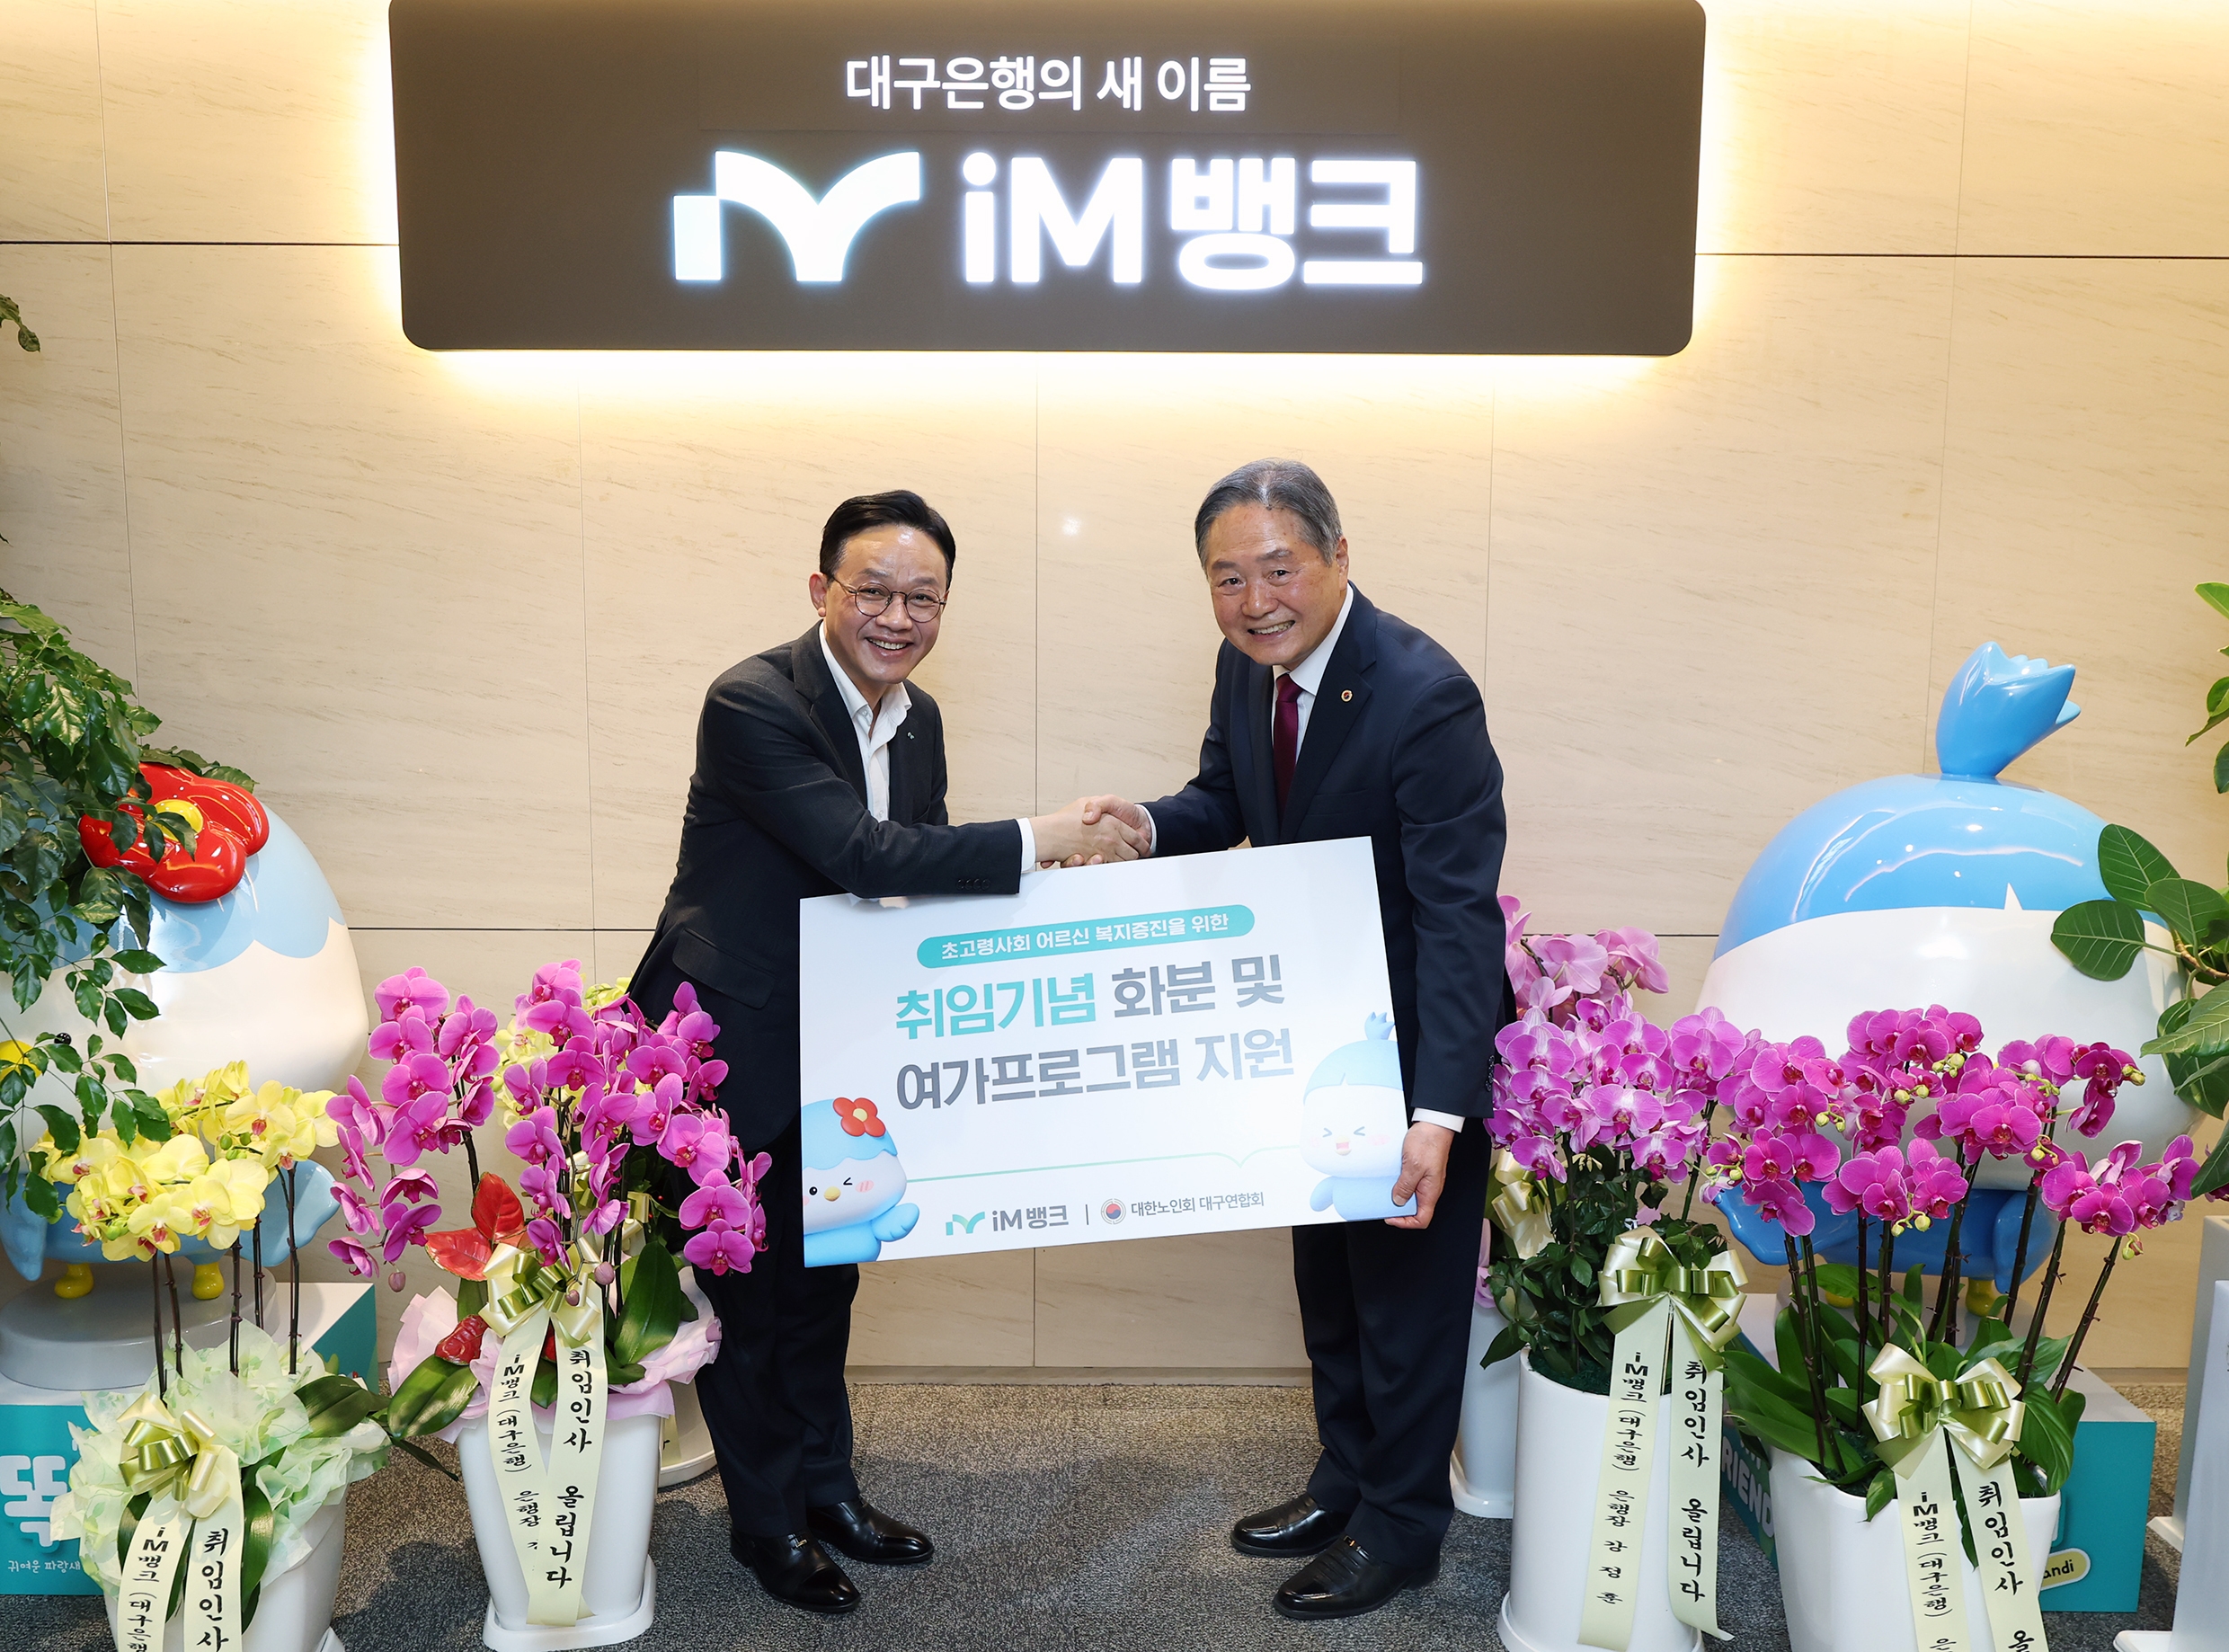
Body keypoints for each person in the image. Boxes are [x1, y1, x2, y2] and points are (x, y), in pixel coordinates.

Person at [630, 490, 1144, 1616]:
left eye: (924, 597)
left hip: (844, 1027)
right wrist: (1039, 836)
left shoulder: (919, 720)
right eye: (874, 590)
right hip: (728, 1035)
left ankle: (829, 1488)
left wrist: (1051, 884)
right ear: (821, 589)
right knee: (749, 1292)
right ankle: (768, 1524)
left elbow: (920, 869)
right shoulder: (751, 700)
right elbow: (862, 852)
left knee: (827, 1273)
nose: (898, 617)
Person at [1079, 459, 1509, 1621]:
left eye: (1278, 568)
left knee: (1406, 1302)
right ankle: (1346, 1477)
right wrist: (1146, 824)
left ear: (1337, 557)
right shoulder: (1247, 667)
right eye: (1228, 577)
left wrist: (1437, 1110)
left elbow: (1459, 914)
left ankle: (1402, 1527)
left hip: (1409, 1049)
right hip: (1311, 1033)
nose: (1255, 599)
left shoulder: (1425, 695)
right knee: (1332, 1284)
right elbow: (1229, 800)